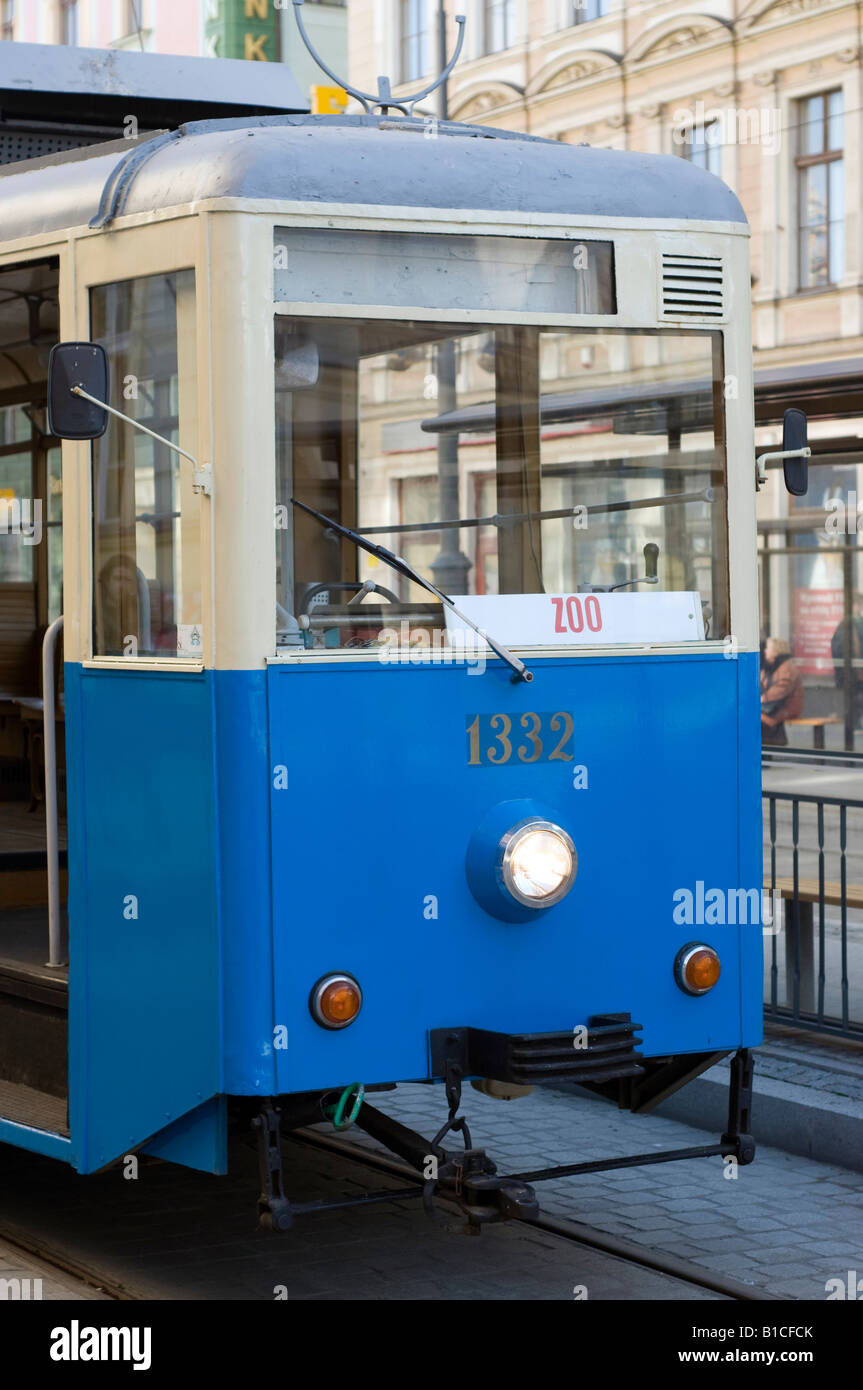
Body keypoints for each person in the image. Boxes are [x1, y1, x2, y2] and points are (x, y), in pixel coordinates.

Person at [761, 637, 803, 746]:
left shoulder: (787, 668)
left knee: (755, 722)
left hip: (784, 708)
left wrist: (759, 700)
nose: (765, 651)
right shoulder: (770, 666)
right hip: (770, 708)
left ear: (776, 651)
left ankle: (767, 752)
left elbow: (781, 690)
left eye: (768, 648)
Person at [830, 593, 863, 729]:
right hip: (852, 671)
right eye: (858, 604)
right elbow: (839, 648)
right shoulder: (847, 624)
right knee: (853, 699)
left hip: (857, 669)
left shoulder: (857, 622)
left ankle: (855, 724)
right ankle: (853, 725)